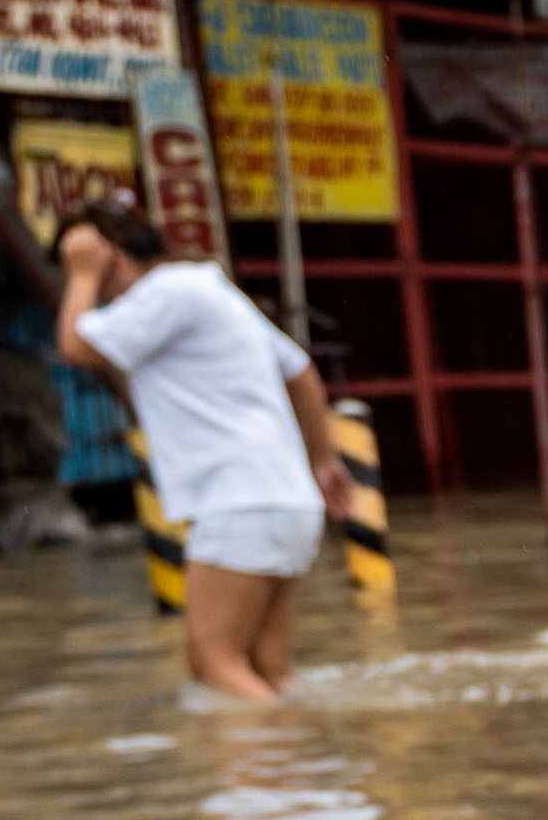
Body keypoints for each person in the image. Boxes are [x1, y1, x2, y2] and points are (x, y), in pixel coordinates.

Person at [47, 193, 342, 706]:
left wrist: (79, 275)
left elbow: (75, 346)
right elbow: (299, 370)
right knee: (265, 669)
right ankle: (298, 775)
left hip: (237, 501)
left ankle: (253, 780)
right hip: (285, 500)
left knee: (213, 665)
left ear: (110, 258)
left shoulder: (166, 293)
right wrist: (323, 461)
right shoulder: (209, 288)